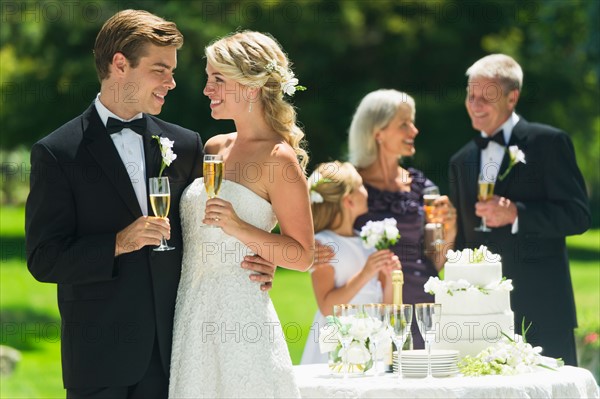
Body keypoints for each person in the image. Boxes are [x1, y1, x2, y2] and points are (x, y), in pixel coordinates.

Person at [25, 11, 274, 398]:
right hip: (98, 358)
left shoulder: (187, 145)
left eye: (172, 71)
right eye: (160, 70)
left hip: (174, 354)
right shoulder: (57, 154)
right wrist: (119, 242)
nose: (172, 83)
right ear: (120, 64)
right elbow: (43, 259)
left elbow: (204, 225)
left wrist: (258, 257)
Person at [168, 31, 314, 398]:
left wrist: (240, 228)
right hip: (191, 314)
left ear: (251, 88)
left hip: (242, 323)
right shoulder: (215, 147)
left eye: (218, 79)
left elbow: (303, 255)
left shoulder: (278, 159)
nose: (206, 89)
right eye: (208, 77)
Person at [448, 54, 591, 366]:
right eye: (471, 96)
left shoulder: (549, 143)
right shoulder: (461, 161)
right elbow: (462, 243)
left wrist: (518, 214)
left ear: (512, 97)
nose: (475, 105)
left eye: (487, 97)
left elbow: (578, 215)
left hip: (544, 310)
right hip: (482, 318)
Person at [347, 89, 457, 349]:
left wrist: (449, 231)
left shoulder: (422, 186)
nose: (414, 131)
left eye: (413, 122)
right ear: (378, 132)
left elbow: (436, 259)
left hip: (423, 306)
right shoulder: (349, 185)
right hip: (369, 309)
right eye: (404, 124)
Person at [300, 161, 399, 364]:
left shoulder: (367, 243)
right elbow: (328, 308)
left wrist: (391, 278)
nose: (366, 190)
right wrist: (365, 273)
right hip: (338, 344)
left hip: (372, 340)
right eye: (361, 185)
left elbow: (386, 306)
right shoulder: (324, 245)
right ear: (349, 201)